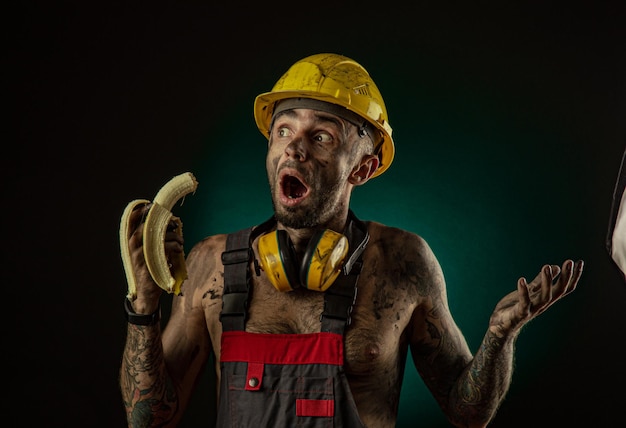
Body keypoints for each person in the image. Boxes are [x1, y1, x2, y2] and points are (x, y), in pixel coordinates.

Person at [119, 53, 584, 428]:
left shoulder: (404, 263)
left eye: (321, 136)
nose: (294, 148)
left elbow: (468, 412)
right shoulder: (210, 265)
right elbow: (148, 419)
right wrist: (142, 306)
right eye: (283, 130)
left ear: (361, 167)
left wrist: (501, 336)